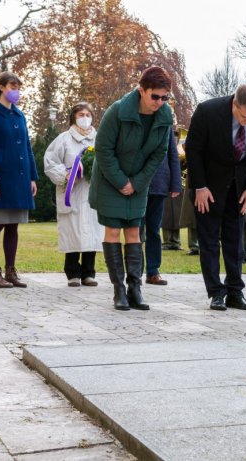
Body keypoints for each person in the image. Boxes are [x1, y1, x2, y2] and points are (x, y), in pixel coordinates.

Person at [89, 66, 173, 311]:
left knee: (135, 233)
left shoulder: (164, 117)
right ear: (141, 90)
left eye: (164, 97)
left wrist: (136, 183)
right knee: (113, 231)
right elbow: (103, 150)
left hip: (138, 182)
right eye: (154, 96)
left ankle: (135, 289)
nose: (159, 102)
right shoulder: (117, 111)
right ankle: (119, 291)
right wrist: (121, 182)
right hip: (109, 180)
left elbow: (159, 154)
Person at [185, 84, 246, 311]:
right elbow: (193, 150)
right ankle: (216, 292)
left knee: (236, 240)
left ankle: (235, 291)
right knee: (210, 239)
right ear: (235, 103)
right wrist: (200, 186)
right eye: (244, 116)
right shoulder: (208, 111)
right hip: (209, 186)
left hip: (240, 186)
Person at [0, 71, 38, 288]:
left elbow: (27, 148)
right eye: (12, 86)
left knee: (13, 226)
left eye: (18, 87)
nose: (16, 91)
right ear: (1, 87)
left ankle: (11, 272)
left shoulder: (19, 115)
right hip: (0, 179)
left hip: (20, 180)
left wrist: (32, 176)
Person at [44, 103, 104, 287]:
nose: (85, 117)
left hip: (92, 192)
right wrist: (66, 175)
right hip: (71, 192)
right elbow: (50, 161)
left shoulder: (100, 139)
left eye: (88, 114)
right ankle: (72, 273)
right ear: (73, 117)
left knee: (92, 232)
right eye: (81, 114)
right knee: (72, 232)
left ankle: (89, 272)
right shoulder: (63, 139)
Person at [142, 127, 182, 285]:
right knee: (136, 230)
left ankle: (153, 271)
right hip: (137, 185)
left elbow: (173, 154)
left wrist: (176, 184)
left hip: (159, 184)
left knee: (154, 230)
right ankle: (135, 271)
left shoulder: (165, 125)